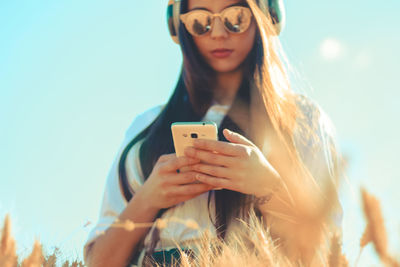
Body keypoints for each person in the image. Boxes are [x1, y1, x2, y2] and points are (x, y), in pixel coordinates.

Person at [83, 0, 343, 266]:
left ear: (266, 15)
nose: (218, 33)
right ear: (178, 25)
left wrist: (269, 189)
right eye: (200, 22)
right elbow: (98, 262)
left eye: (236, 17)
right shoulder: (145, 127)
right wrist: (148, 198)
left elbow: (325, 249)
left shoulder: (303, 119)